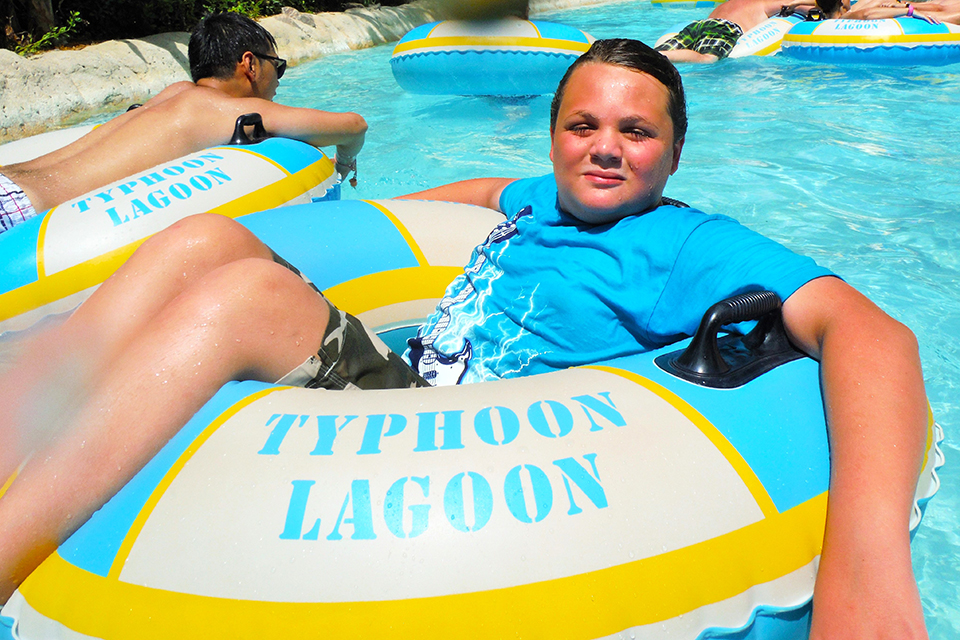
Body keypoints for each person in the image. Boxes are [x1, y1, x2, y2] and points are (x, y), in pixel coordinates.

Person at [0, 39, 928, 639]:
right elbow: (488, 193)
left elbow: (869, 332)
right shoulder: (538, 199)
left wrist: (867, 561)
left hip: (449, 437)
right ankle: (13, 429)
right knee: (201, 240)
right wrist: (374, 226)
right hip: (402, 376)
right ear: (556, 136)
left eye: (636, 132)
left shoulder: (683, 241)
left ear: (676, 154)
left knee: (238, 295)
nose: (605, 148)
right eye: (583, 125)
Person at [0, 12, 367, 233]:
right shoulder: (217, 109)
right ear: (250, 64)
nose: (278, 80)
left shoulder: (173, 93)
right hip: (19, 215)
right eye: (278, 66)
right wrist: (345, 162)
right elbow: (353, 125)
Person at [655, 0, 817, 63]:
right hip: (724, 28)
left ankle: (646, 53)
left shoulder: (730, 3)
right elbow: (795, 5)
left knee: (657, 52)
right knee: (707, 59)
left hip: (699, 25)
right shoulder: (764, 3)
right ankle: (662, 57)